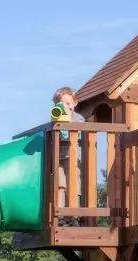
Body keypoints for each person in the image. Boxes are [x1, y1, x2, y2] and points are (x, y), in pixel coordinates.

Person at [52, 86, 85, 225]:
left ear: (74, 103)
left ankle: (74, 215)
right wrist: (58, 120)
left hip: (73, 156)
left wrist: (68, 118)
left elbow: (77, 132)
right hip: (59, 156)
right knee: (60, 185)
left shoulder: (78, 118)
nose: (65, 106)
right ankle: (60, 215)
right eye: (61, 103)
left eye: (67, 103)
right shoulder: (56, 116)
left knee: (74, 185)